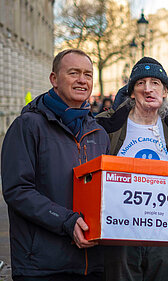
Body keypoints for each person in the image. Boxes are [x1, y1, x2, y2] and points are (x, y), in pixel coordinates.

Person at [1, 49, 109, 280]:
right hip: (42, 266)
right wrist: (65, 221)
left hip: (91, 265)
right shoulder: (27, 126)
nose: (82, 80)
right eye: (74, 73)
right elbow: (17, 190)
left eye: (88, 75)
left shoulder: (99, 133)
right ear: (54, 79)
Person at [96, 57, 168, 281]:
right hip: (121, 229)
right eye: (141, 83)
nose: (148, 89)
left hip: (164, 228)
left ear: (165, 91)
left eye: (155, 83)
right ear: (131, 92)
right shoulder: (107, 125)